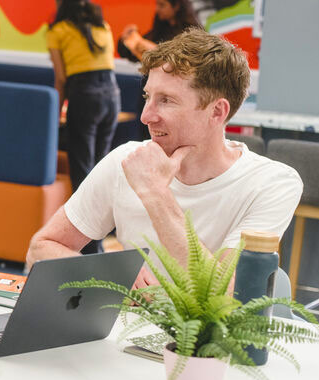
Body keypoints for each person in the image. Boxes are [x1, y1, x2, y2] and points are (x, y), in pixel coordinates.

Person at [26, 29, 302, 290]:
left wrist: (156, 194)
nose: (146, 116)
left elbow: (226, 295)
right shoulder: (126, 159)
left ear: (217, 112)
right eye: (148, 97)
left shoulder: (273, 183)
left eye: (166, 100)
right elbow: (40, 249)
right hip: (125, 334)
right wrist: (112, 281)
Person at [47, 0, 121, 254]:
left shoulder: (57, 32)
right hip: (111, 95)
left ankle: (91, 248)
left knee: (83, 174)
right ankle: (103, 234)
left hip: (84, 96)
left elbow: (60, 78)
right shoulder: (103, 26)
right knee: (101, 171)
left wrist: (55, 117)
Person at [118, 0, 201, 62]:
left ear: (176, 6)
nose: (157, 9)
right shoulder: (160, 29)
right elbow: (130, 55)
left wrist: (157, 50)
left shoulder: (193, 34)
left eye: (162, 5)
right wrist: (125, 39)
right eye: (156, 4)